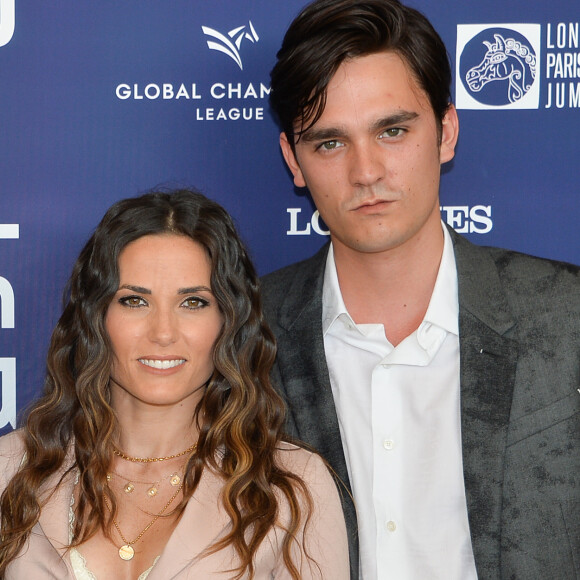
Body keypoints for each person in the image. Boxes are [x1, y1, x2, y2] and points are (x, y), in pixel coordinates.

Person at [261, 1, 580, 579]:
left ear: (447, 132)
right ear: (294, 161)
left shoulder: (568, 318)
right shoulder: (239, 335)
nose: (366, 171)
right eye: (330, 143)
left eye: (393, 130)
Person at [0, 189, 349, 579]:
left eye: (193, 302)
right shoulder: (10, 470)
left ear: (227, 321)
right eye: (134, 301)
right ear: (95, 317)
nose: (163, 333)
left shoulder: (292, 487)